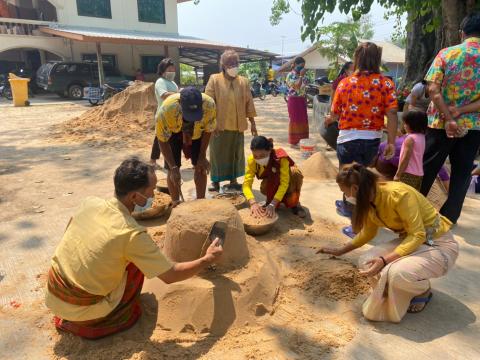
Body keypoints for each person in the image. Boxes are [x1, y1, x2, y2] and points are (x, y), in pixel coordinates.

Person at [45, 158, 223, 339]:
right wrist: (206, 259)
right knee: (135, 266)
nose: (154, 195)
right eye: (151, 190)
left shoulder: (90, 203)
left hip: (54, 293)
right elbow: (171, 275)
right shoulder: (131, 234)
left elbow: (70, 232)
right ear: (135, 197)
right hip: (83, 311)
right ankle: (111, 317)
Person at [319, 164, 458, 323]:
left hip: (438, 245)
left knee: (396, 273)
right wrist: (340, 250)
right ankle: (397, 288)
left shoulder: (399, 194)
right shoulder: (370, 201)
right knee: (366, 261)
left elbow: (418, 234)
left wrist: (385, 260)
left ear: (355, 189)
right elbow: (368, 233)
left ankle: (422, 290)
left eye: (344, 192)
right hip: (411, 241)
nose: (345, 196)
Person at [326, 42, 398, 237]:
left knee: (350, 180)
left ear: (357, 58)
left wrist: (329, 119)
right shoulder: (386, 83)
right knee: (363, 179)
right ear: (377, 59)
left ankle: (356, 225)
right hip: (372, 141)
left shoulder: (345, 83)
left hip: (348, 140)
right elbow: (392, 113)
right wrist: (391, 141)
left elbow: (334, 112)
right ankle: (353, 209)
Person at [421, 12, 480, 224]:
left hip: (440, 122)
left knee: (428, 168)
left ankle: (413, 213)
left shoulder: (447, 53)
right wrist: (461, 111)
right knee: (462, 173)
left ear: (462, 33)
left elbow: (433, 90)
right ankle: (448, 219)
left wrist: (449, 116)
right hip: (473, 126)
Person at [205, 49, 257, 192]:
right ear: (223, 65)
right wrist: (211, 123)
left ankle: (233, 180)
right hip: (219, 126)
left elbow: (249, 103)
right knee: (217, 154)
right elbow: (208, 103)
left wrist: (253, 123)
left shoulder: (243, 82)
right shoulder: (214, 79)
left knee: (235, 154)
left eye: (235, 63)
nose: (233, 65)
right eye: (230, 63)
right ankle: (215, 181)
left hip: (237, 125)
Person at [156, 87, 216, 205]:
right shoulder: (166, 110)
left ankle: (200, 203)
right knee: (172, 170)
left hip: (198, 132)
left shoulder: (209, 105)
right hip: (174, 133)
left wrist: (202, 155)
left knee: (200, 166)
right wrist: (173, 167)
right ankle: (176, 203)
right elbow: (162, 140)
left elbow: (209, 130)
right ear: (180, 105)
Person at [243, 136, 306, 218]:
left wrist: (273, 203)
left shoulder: (280, 158)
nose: (258, 158)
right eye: (255, 156)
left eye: (262, 155)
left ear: (269, 150)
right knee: (267, 185)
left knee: (295, 173)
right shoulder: (252, 161)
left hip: (289, 180)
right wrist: (253, 203)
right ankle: (271, 201)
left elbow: (284, 183)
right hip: (271, 181)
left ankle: (295, 203)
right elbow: (246, 184)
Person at [150, 58, 179, 168]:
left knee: (163, 138)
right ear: (163, 70)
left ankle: (157, 160)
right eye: (169, 69)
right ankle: (154, 160)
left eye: (173, 69)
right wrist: (178, 94)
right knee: (160, 138)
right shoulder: (160, 82)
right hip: (163, 115)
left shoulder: (172, 82)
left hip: (172, 115)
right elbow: (164, 95)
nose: (172, 71)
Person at [394, 110, 428, 191]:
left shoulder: (410, 139)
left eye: (405, 123)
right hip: (419, 174)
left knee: (402, 196)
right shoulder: (421, 136)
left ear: (412, 125)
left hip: (407, 174)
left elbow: (405, 158)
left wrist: (398, 175)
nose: (404, 125)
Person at [285, 56, 309, 145]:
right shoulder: (290, 75)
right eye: (300, 66)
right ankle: (295, 141)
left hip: (302, 100)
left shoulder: (303, 75)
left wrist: (303, 76)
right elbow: (297, 87)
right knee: (295, 119)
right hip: (294, 101)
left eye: (303, 66)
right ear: (295, 64)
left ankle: (303, 140)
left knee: (303, 120)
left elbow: (305, 86)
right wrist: (301, 76)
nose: (302, 68)